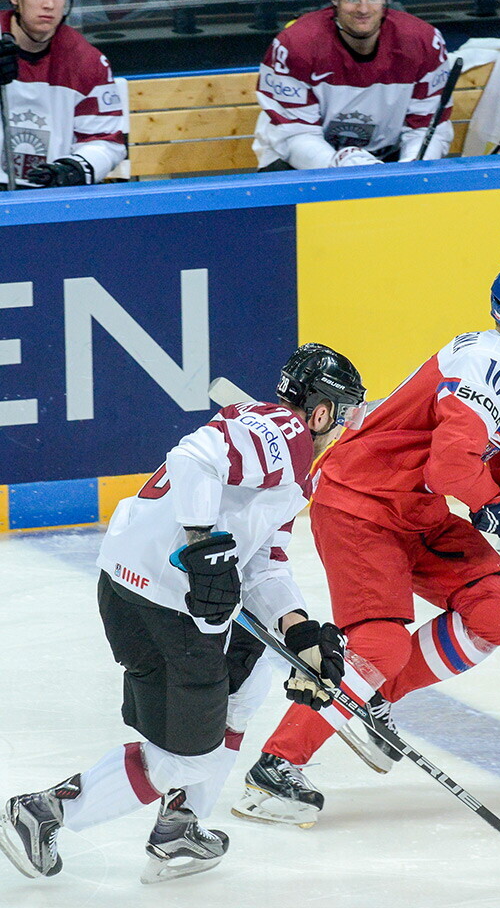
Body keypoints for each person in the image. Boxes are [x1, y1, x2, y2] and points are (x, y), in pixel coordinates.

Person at [232, 262, 500, 827]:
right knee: (380, 645)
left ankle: (374, 698)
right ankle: (276, 766)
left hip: (419, 514)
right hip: (360, 506)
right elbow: (451, 468)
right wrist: (490, 501)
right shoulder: (484, 362)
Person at [0, 345, 366, 884]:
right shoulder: (284, 432)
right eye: (346, 413)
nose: (344, 428)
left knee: (252, 669)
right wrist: (202, 543)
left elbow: (265, 562)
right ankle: (41, 812)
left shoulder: (290, 465)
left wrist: (299, 628)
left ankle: (180, 828)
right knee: (185, 757)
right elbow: (192, 457)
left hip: (150, 589)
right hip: (165, 605)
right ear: (322, 412)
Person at [254, 0, 453, 171]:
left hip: (389, 158)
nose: (363, 9)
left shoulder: (423, 42)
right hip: (299, 161)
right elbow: (293, 133)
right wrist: (341, 165)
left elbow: (427, 126)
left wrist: (411, 169)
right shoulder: (295, 44)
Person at [0, 0, 126, 188]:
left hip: (51, 194)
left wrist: (74, 169)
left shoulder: (87, 61)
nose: (49, 4)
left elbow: (105, 140)